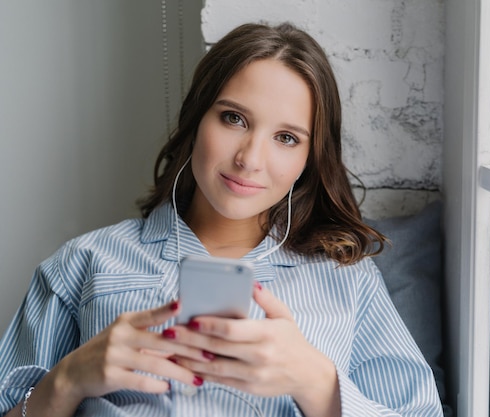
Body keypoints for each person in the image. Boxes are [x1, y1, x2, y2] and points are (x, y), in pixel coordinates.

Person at [0, 22, 444, 417]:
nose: (250, 159)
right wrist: (67, 380)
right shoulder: (83, 263)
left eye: (287, 138)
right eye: (234, 118)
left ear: (310, 159)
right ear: (196, 120)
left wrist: (318, 384)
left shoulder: (347, 279)